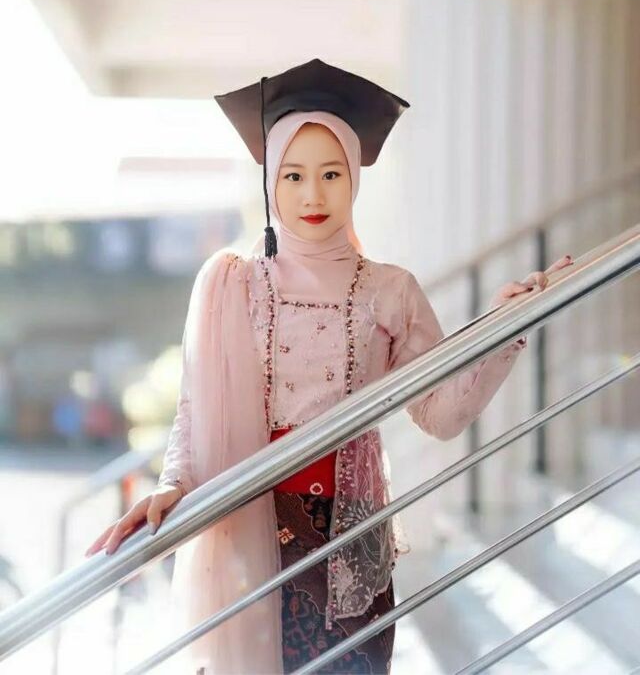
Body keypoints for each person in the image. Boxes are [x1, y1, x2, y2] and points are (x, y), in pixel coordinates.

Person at [85, 58, 573, 674]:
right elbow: (195, 408)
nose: (312, 195)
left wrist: (506, 328)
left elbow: (442, 415)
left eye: (331, 174)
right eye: (293, 175)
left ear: (354, 179)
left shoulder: (392, 290)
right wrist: (172, 485)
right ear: (271, 183)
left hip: (354, 538)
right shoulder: (234, 285)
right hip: (254, 532)